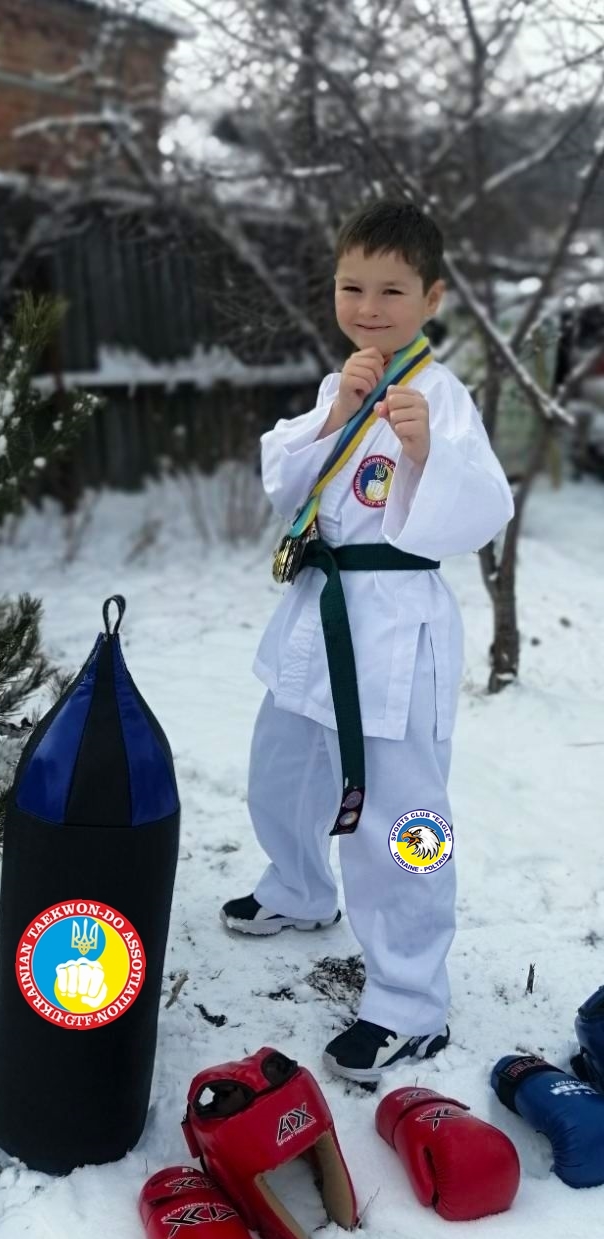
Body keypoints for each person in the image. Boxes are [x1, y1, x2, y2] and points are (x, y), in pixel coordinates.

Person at [220, 197, 515, 1084]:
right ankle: (301, 889)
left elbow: (485, 506)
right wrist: (330, 417)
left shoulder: (442, 395)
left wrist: (431, 456)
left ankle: (409, 1000)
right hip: (320, 613)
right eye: (353, 286)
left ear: (432, 297)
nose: (369, 306)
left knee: (405, 824)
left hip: (396, 635)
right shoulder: (342, 379)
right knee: (282, 768)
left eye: (392, 290)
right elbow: (286, 484)